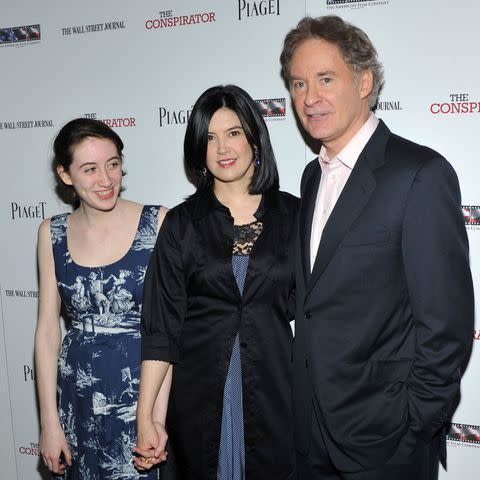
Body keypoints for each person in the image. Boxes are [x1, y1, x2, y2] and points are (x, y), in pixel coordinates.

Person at [279, 15, 474, 480]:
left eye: (326, 79)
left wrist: (412, 426)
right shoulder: (312, 176)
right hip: (310, 436)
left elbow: (445, 325)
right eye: (299, 83)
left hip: (385, 443)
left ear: (364, 80)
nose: (310, 97)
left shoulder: (419, 175)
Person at [133, 85, 298, 479]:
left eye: (234, 133)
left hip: (277, 392)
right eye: (210, 137)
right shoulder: (181, 225)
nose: (223, 148)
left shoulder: (295, 216)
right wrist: (146, 416)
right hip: (199, 396)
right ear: (199, 151)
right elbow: (161, 330)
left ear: (255, 139)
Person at [34, 118, 171, 479]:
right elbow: (48, 330)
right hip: (77, 396)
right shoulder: (52, 233)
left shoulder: (157, 224)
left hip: (143, 391)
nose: (106, 179)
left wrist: (156, 418)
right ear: (66, 175)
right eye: (90, 169)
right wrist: (50, 423)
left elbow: (168, 329)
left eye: (112, 164)